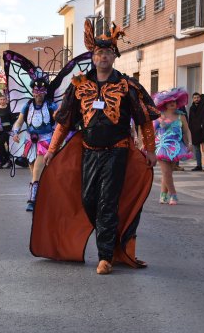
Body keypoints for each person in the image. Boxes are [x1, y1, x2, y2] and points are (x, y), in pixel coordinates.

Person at [35, 20, 160, 275]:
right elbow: (64, 122)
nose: (103, 57)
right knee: (88, 199)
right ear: (93, 57)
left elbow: (144, 121)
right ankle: (111, 240)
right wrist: (51, 151)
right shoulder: (78, 85)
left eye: (108, 53)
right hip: (89, 150)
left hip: (118, 150)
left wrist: (150, 150)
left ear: (114, 57)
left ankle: (105, 257)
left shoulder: (127, 86)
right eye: (99, 53)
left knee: (107, 202)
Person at [11, 71, 57, 212]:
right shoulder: (27, 106)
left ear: (45, 91)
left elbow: (59, 120)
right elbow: (19, 122)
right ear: (32, 91)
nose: (38, 93)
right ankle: (45, 196)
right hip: (31, 142)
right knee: (34, 173)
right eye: (36, 91)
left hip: (45, 140)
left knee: (37, 171)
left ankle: (32, 200)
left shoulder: (51, 105)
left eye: (41, 90)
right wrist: (15, 132)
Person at [153, 88, 193, 205]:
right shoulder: (159, 116)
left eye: (174, 101)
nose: (172, 103)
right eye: (170, 101)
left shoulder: (181, 116)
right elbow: (151, 132)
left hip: (177, 147)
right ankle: (173, 195)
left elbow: (187, 130)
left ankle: (163, 194)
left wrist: (190, 143)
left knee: (169, 172)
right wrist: (145, 145)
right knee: (166, 172)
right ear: (164, 103)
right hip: (162, 146)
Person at [188, 92, 204, 171]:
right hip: (194, 131)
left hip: (203, 130)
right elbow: (190, 120)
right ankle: (199, 165)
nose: (196, 99)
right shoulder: (191, 108)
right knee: (196, 149)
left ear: (200, 98)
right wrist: (190, 129)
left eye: (198, 97)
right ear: (193, 99)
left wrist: (203, 125)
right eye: (195, 98)